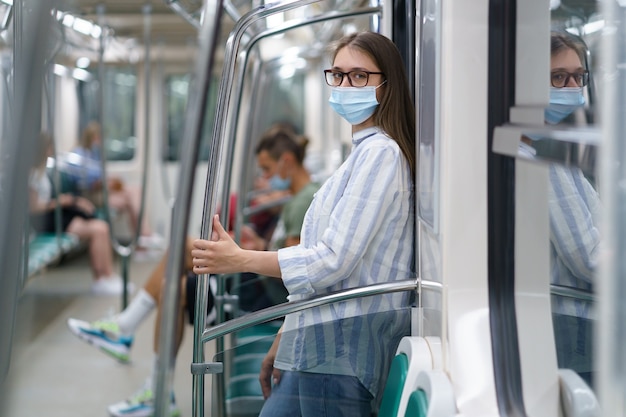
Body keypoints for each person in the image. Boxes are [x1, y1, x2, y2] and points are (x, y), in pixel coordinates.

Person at [192, 31, 416, 416]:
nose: (346, 85)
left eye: (360, 76)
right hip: (313, 346)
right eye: (339, 75)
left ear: (386, 85)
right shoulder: (359, 154)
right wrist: (287, 332)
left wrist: (240, 258)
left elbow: (330, 262)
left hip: (340, 356)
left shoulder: (382, 155)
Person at [66, 125, 318, 417]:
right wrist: (256, 245)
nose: (264, 179)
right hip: (257, 286)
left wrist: (245, 254)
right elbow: (286, 256)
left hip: (258, 297)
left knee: (175, 285)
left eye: (266, 169)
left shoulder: (301, 203)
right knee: (182, 259)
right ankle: (132, 343)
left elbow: (293, 276)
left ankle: (144, 365)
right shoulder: (300, 197)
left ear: (286, 161)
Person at [520, 31, 600, 387]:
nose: (571, 87)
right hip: (573, 330)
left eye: (578, 77)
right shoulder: (544, 162)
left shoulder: (538, 149)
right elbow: (589, 258)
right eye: (558, 77)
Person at [29, 132, 129, 295]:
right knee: (98, 230)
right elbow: (33, 207)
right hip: (43, 220)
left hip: (52, 214)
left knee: (102, 227)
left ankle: (107, 276)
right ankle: (100, 280)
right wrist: (62, 201)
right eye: (50, 147)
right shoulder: (32, 174)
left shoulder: (43, 170)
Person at [65, 121, 159, 246]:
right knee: (130, 200)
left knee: (135, 191)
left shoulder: (95, 155)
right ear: (93, 137)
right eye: (99, 138)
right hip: (89, 195)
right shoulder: (78, 155)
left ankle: (143, 238)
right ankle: (144, 237)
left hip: (101, 191)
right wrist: (105, 183)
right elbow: (84, 183)